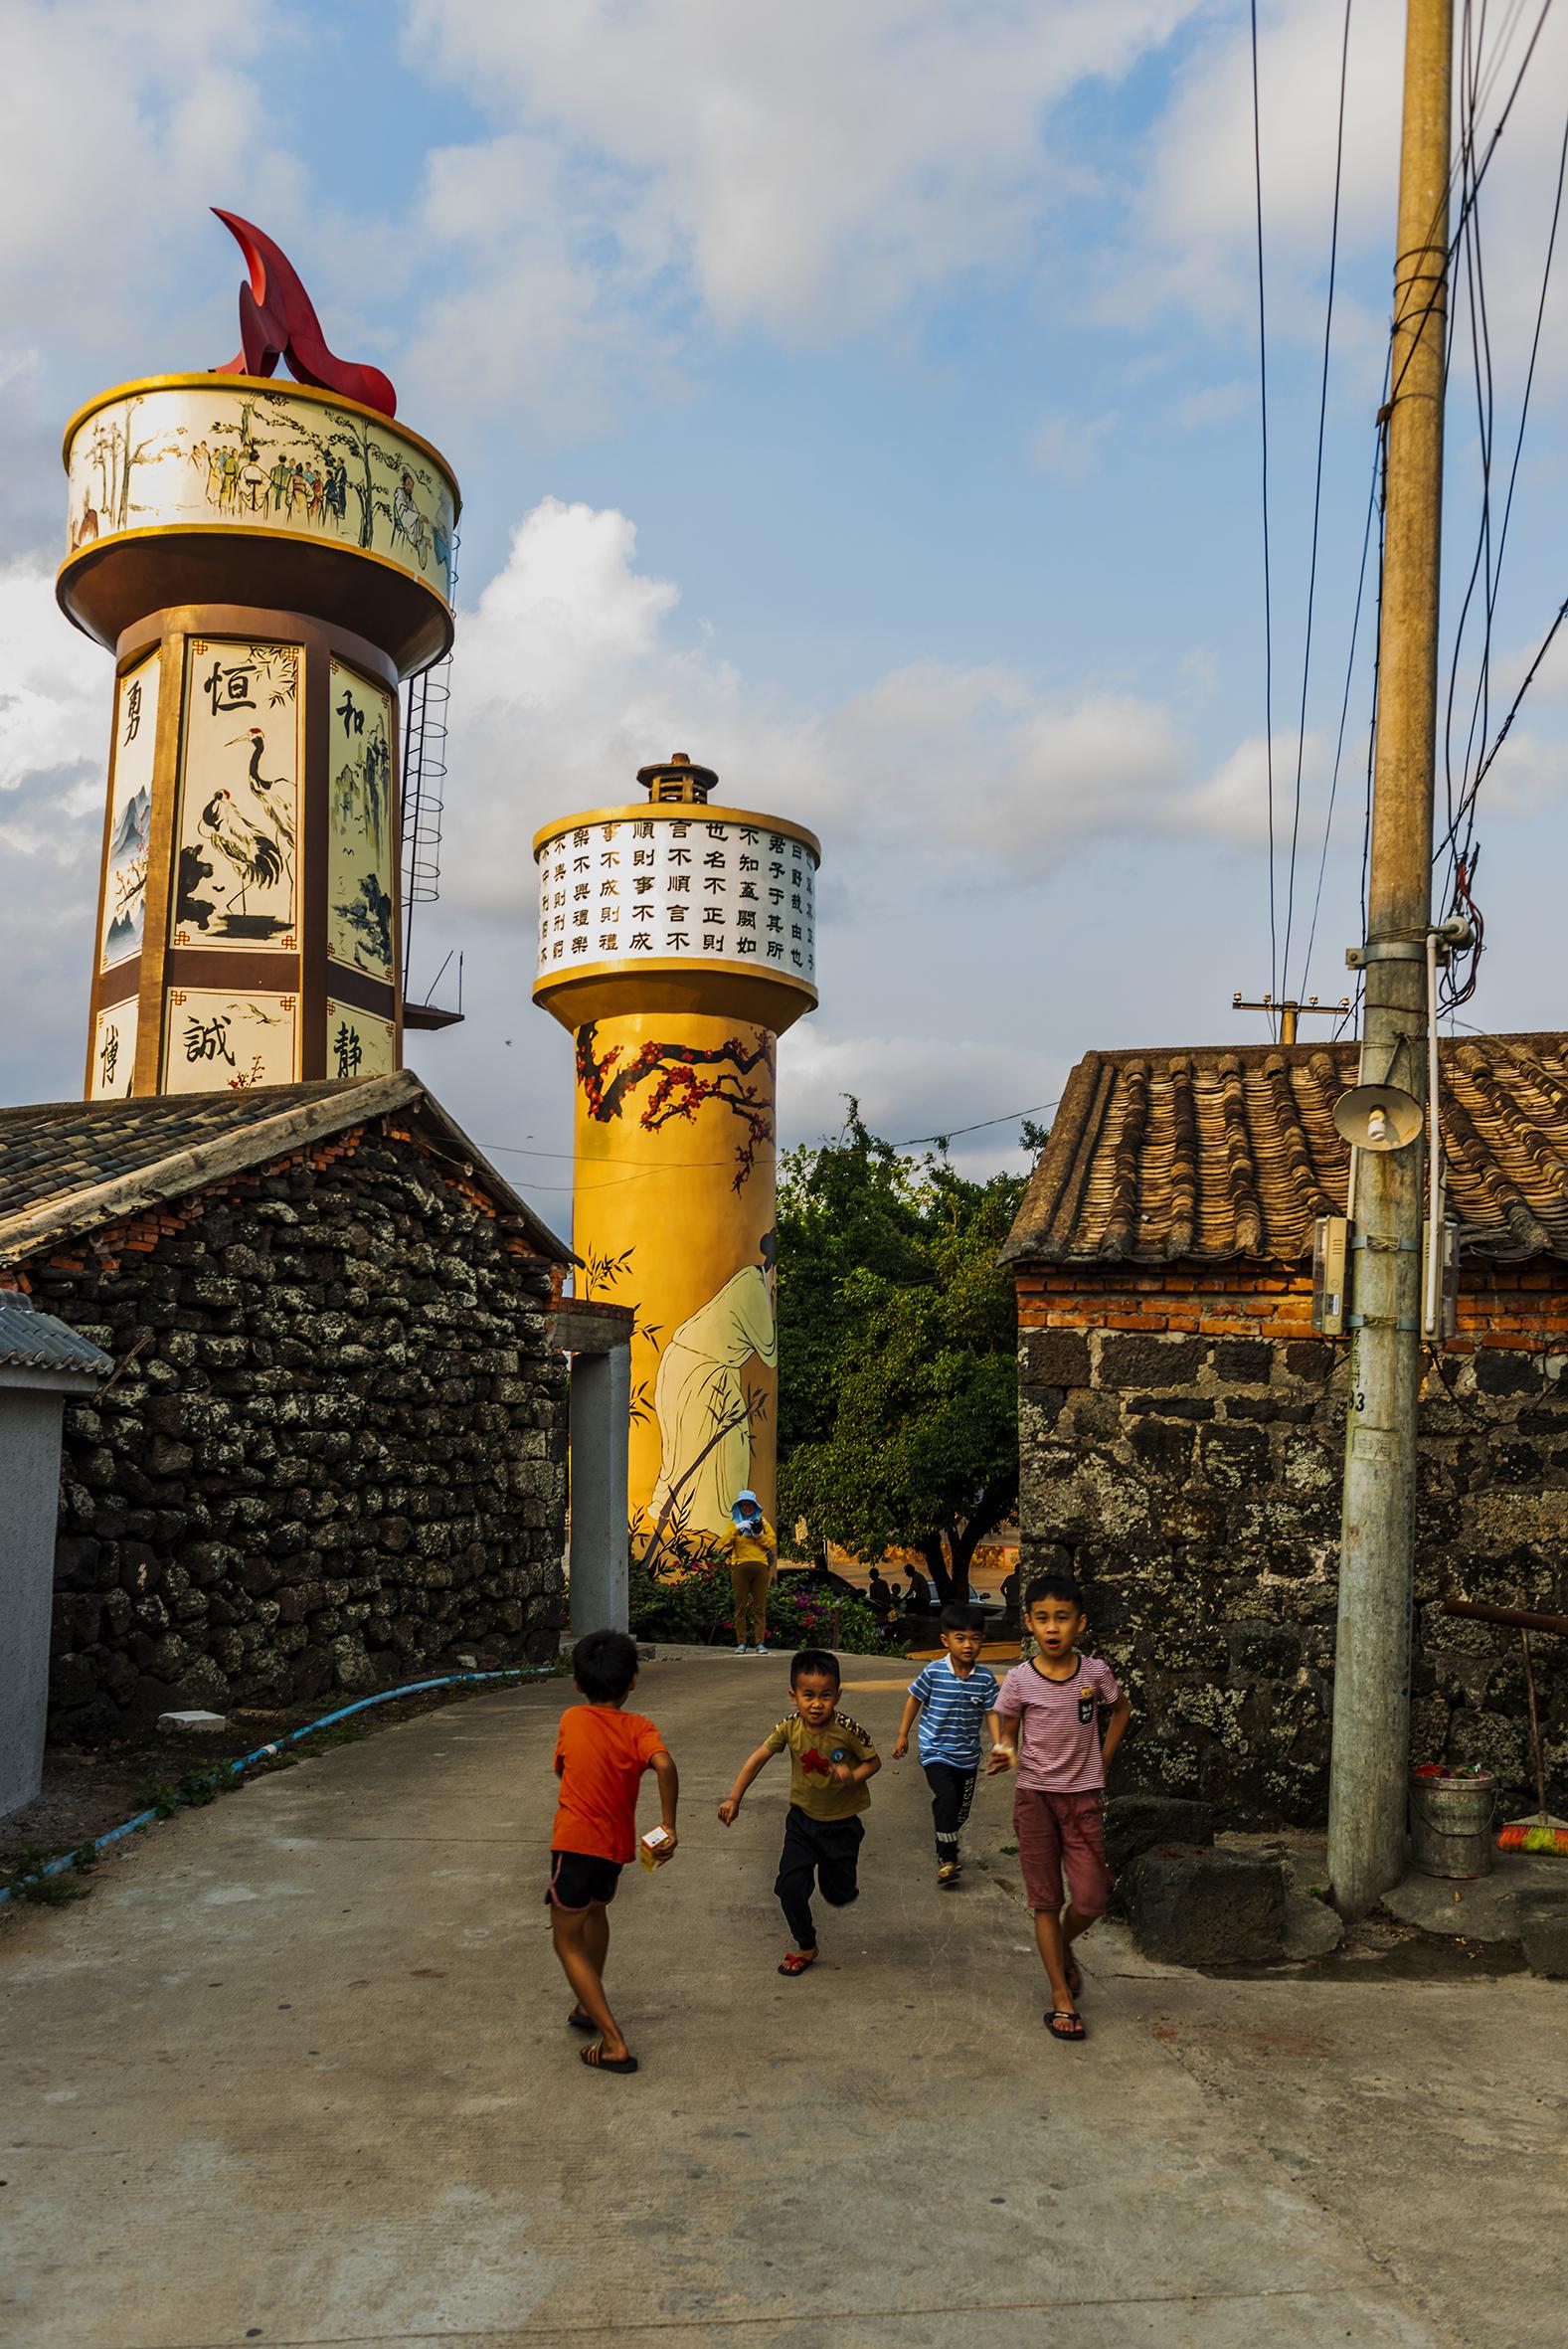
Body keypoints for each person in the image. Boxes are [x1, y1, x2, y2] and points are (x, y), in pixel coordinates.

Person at [988, 1572, 1131, 2046]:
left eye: (1062, 1619)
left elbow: (1121, 1710)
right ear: (1029, 1623)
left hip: (1084, 1799)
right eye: (1043, 1619)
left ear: (1080, 1624)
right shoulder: (1019, 1681)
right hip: (1034, 1802)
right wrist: (1004, 1751)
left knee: (1091, 1899)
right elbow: (1008, 1732)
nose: (1053, 1629)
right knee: (1045, 1900)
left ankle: (1062, 1947)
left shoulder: (1095, 1675)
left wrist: (1103, 1759)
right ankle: (1060, 1994)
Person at [546, 1628, 678, 2077]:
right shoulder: (640, 1727)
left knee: (566, 1941)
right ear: (633, 1681)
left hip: (575, 1843)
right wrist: (667, 1825)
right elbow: (664, 1763)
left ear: (579, 1683)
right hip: (613, 1850)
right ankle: (587, 2007)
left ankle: (614, 2041)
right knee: (597, 1912)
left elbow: (562, 1768)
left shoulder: (571, 1719)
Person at [717, 1646, 880, 1976]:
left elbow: (873, 1762)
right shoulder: (789, 1727)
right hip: (802, 1822)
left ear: (838, 1695)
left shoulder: (846, 1729)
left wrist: (853, 1777)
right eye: (808, 1695)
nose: (816, 1704)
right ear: (794, 1696)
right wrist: (735, 1797)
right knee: (789, 1888)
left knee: (839, 1894)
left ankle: (836, 1883)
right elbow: (758, 1758)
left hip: (842, 1826)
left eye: (826, 1696)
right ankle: (806, 1943)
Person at [892, 1603, 1003, 1885]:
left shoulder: (985, 1679)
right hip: (935, 1751)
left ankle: (945, 1827)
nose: (968, 1645)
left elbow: (991, 1712)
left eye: (974, 1639)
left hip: (967, 1757)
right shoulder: (933, 1672)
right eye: (960, 1638)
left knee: (959, 1812)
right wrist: (903, 1734)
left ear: (982, 1641)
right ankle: (947, 1858)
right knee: (947, 1799)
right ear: (946, 1640)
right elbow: (914, 1699)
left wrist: (999, 1744)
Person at [716, 1488, 777, 1654]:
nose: (747, 1508)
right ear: (739, 1506)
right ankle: (741, 1642)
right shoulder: (733, 1523)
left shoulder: (763, 1523)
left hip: (760, 1566)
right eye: (744, 1505)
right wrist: (738, 1528)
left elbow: (771, 1541)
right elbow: (724, 1542)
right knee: (740, 1606)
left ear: (755, 1506)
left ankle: (759, 1643)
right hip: (739, 1566)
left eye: (750, 1505)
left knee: (760, 1607)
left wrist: (759, 1536)